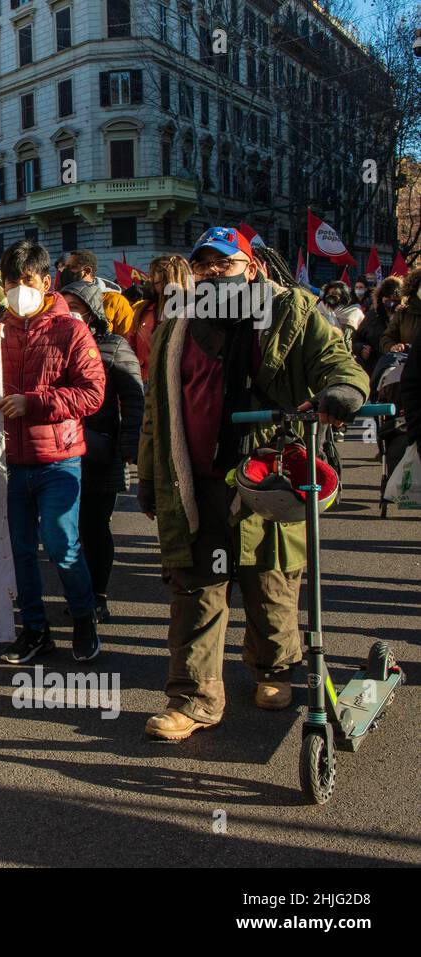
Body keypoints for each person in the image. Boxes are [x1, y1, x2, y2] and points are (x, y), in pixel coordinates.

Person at [138, 226, 369, 741]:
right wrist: (150, 477)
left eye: (225, 264)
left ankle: (273, 670)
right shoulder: (175, 321)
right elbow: (157, 409)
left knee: (272, 581)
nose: (213, 274)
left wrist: (344, 389)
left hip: (270, 477)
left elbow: (336, 361)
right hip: (196, 483)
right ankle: (193, 698)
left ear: (253, 268)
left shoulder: (293, 310)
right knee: (195, 590)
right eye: (204, 266)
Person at [0, 240, 106, 664]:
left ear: (46, 282)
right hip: (11, 461)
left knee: (62, 544)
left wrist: (35, 403)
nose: (17, 290)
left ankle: (83, 619)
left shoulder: (71, 329)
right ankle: (36, 631)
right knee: (21, 550)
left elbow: (93, 394)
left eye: (25, 281)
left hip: (59, 460)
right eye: (9, 282)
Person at [61, 279, 143, 624]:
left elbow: (134, 396)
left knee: (95, 526)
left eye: (75, 307)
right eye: (63, 306)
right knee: (69, 529)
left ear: (93, 312)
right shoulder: (52, 344)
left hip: (100, 451)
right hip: (62, 451)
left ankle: (98, 596)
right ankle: (79, 594)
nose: (69, 314)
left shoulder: (113, 346)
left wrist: (130, 444)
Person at [128, 255, 190, 382]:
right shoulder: (142, 311)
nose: (152, 279)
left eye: (160, 275)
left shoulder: (196, 312)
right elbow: (130, 349)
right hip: (147, 384)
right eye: (153, 274)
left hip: (182, 385)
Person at [58, 249, 134, 337]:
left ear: (87, 271)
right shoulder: (60, 299)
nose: (65, 272)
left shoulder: (115, 301)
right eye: (65, 267)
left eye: (72, 267)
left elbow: (127, 341)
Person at [356, 276, 401, 382]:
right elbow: (356, 338)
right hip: (372, 372)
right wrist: (361, 349)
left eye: (394, 300)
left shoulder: (405, 316)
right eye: (387, 299)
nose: (390, 303)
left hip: (396, 374)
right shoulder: (373, 316)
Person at [380, 266, 421, 353]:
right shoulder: (403, 313)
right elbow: (387, 337)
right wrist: (392, 347)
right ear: (416, 287)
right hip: (408, 365)